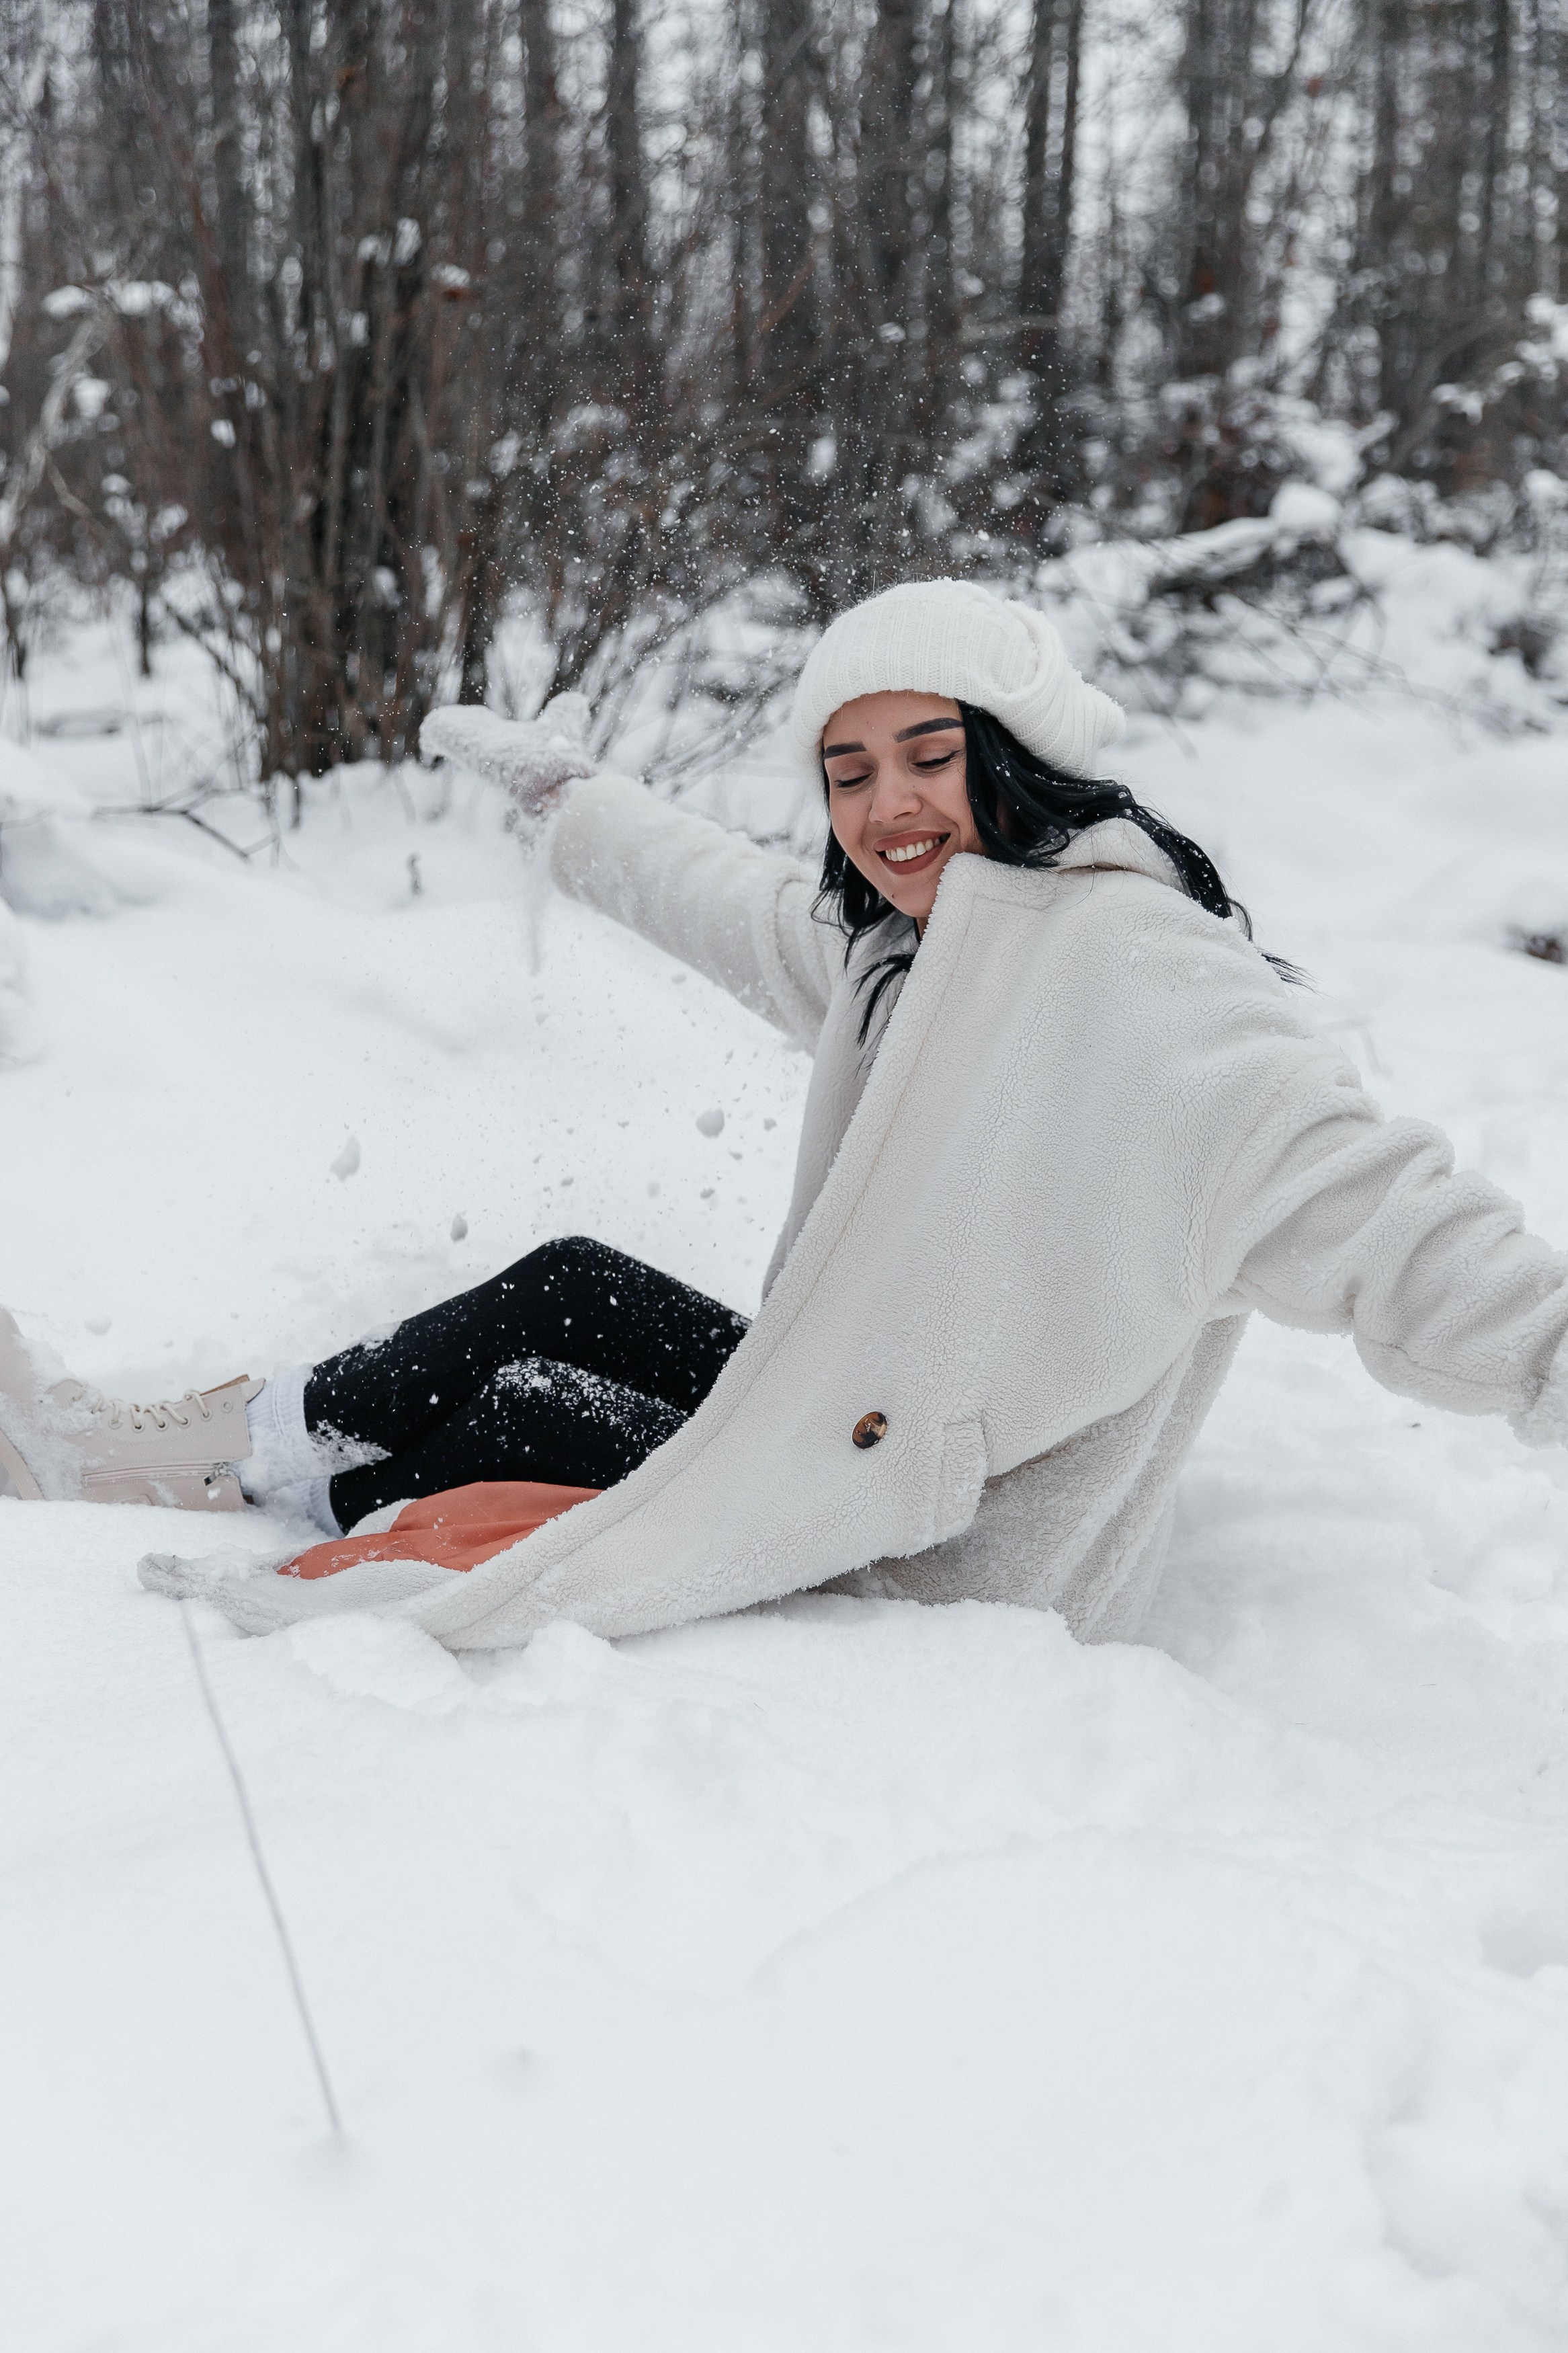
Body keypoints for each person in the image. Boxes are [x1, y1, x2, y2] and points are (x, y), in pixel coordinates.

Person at [4, 578, 1567, 1650]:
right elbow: (738, 909)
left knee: (533, 1414)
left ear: (1022, 760)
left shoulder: (1143, 980)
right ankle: (209, 1445)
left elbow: (1389, 1213)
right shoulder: (926, 951)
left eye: (931, 757)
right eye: (848, 771)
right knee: (568, 1284)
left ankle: (294, 1519)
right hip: (850, 1439)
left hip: (939, 1553)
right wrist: (572, 806)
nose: (888, 808)